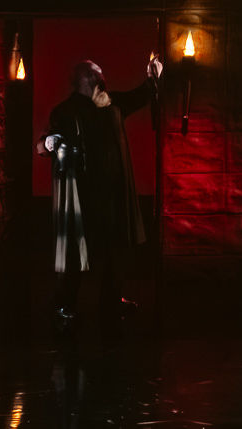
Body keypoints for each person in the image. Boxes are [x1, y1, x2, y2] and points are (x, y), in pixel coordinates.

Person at [37, 51, 162, 330]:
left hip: (112, 194)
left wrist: (152, 76)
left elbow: (139, 96)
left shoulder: (111, 103)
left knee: (114, 250)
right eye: (98, 73)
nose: (103, 77)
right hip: (83, 196)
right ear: (87, 78)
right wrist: (48, 143)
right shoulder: (66, 111)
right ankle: (65, 303)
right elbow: (44, 142)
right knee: (75, 251)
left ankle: (111, 302)